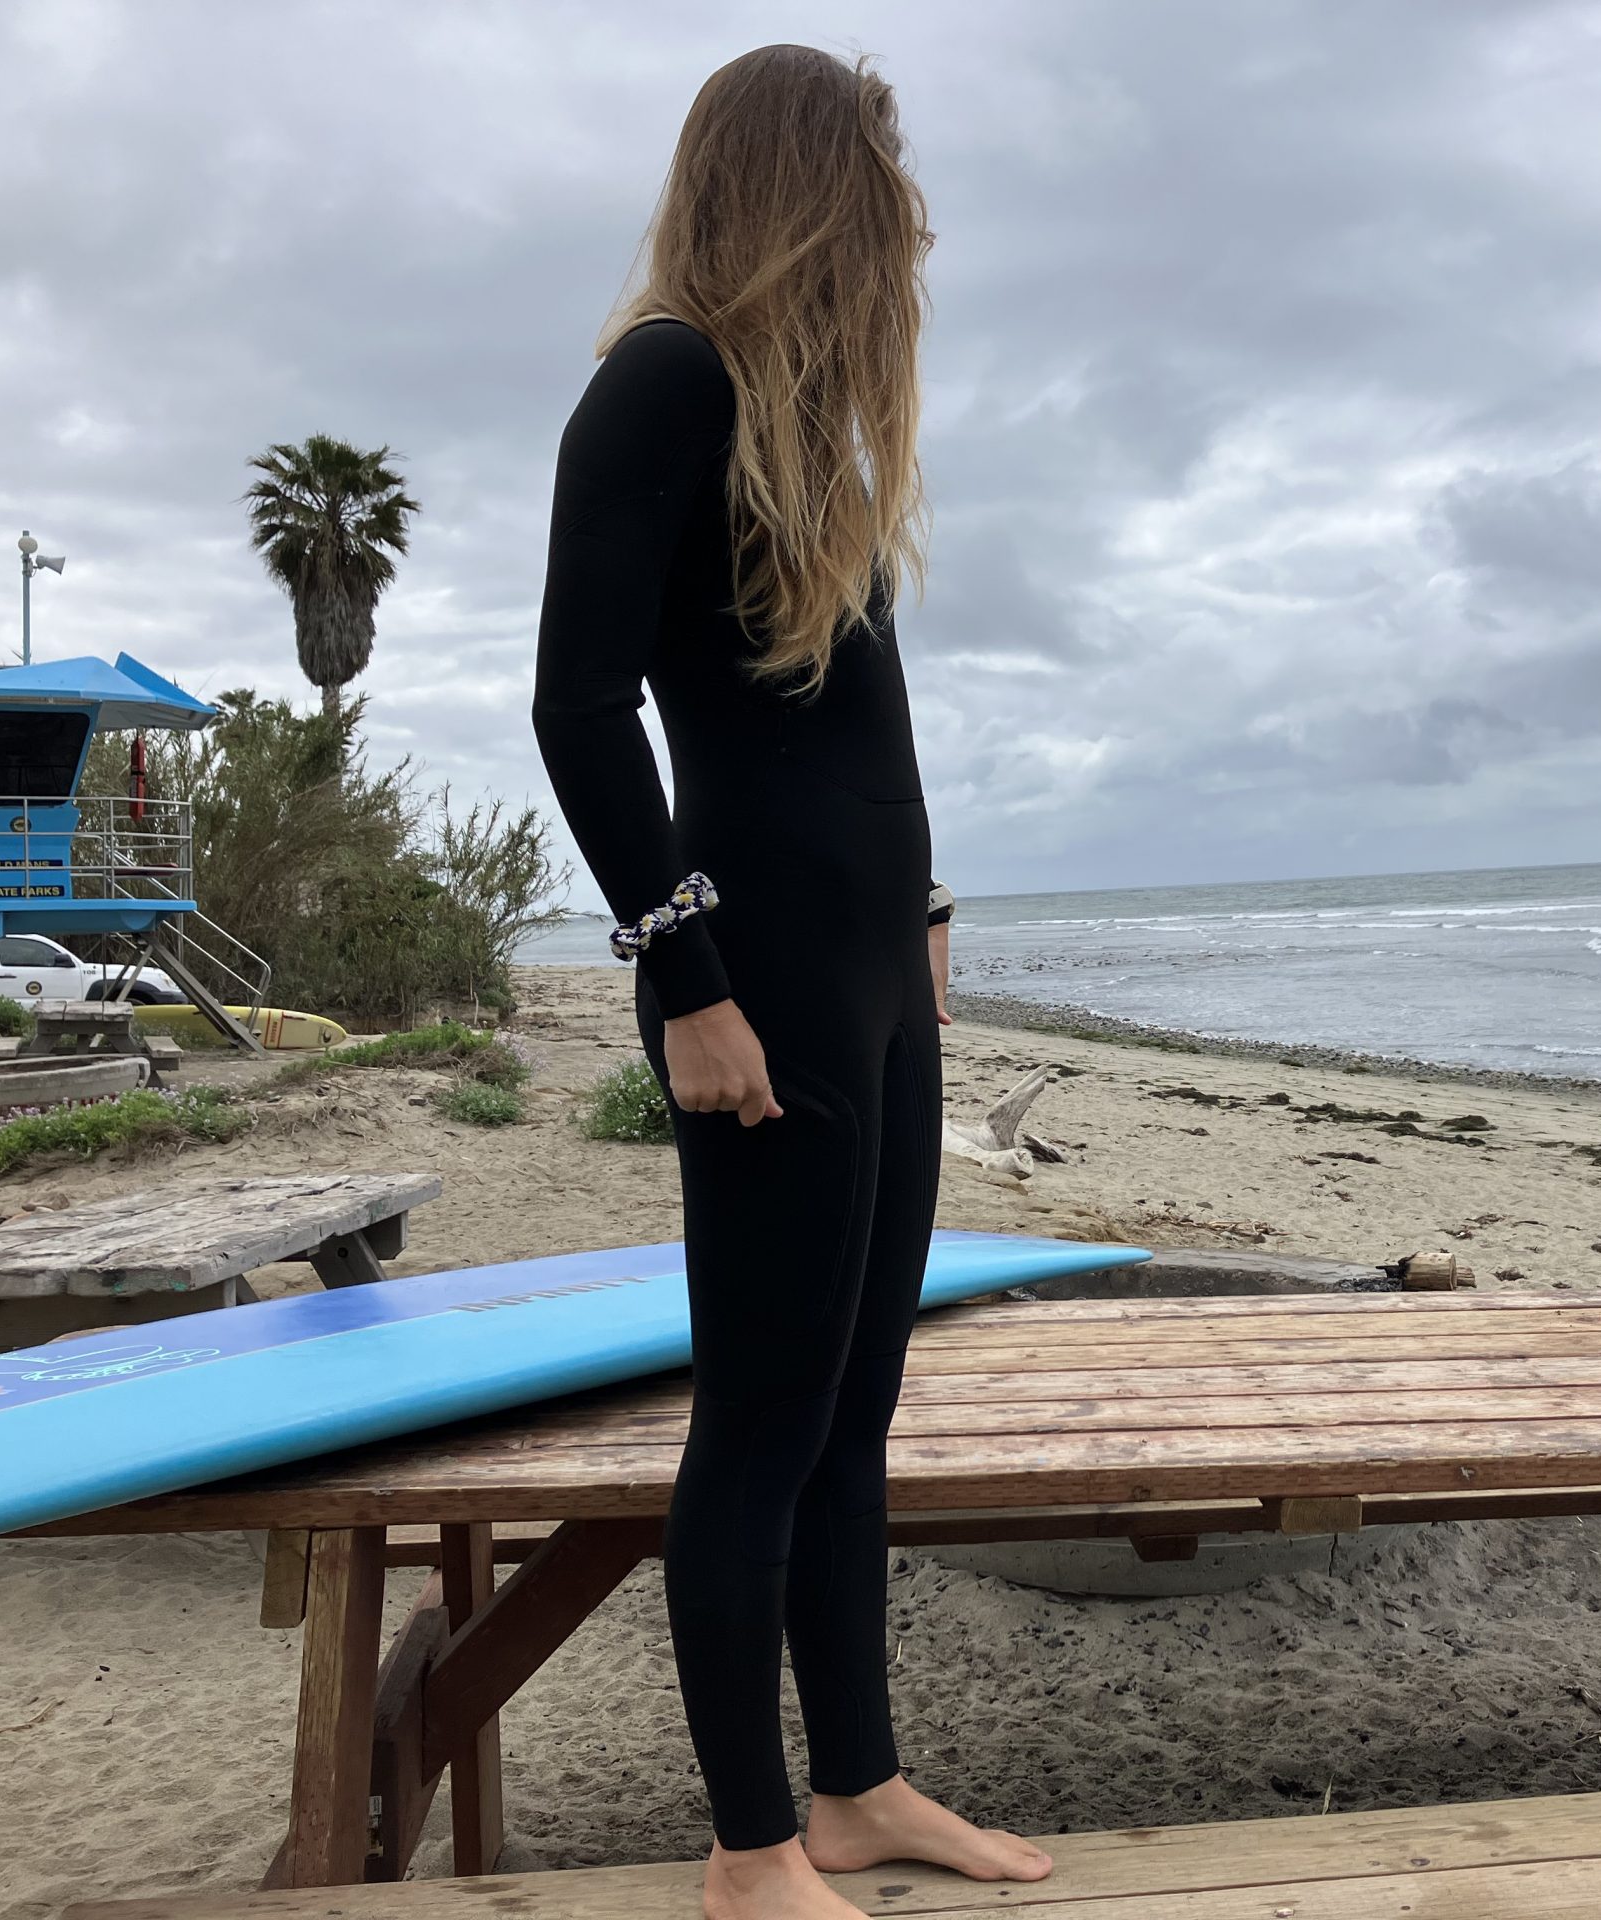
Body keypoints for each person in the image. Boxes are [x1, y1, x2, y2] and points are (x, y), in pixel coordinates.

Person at [530, 45, 1052, 1920]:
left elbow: (856, 727)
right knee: (759, 1414)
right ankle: (750, 1854)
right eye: (880, 194)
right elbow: (581, 709)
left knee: (854, 1412)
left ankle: (858, 1790)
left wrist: (923, 909)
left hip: (872, 987)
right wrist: (687, 975)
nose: (905, 232)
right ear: (805, 193)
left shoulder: (799, 428)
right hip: (751, 979)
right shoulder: (662, 381)